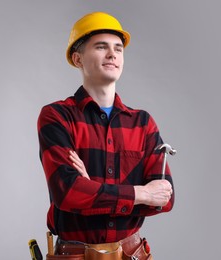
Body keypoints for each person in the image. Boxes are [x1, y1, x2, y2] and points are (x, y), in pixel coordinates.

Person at [37, 11, 174, 259]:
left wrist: (94, 191)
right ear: (78, 59)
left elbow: (164, 198)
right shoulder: (57, 117)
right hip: (75, 255)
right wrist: (140, 193)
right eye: (101, 47)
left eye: (118, 48)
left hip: (131, 254)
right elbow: (68, 194)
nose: (112, 54)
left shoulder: (143, 123)